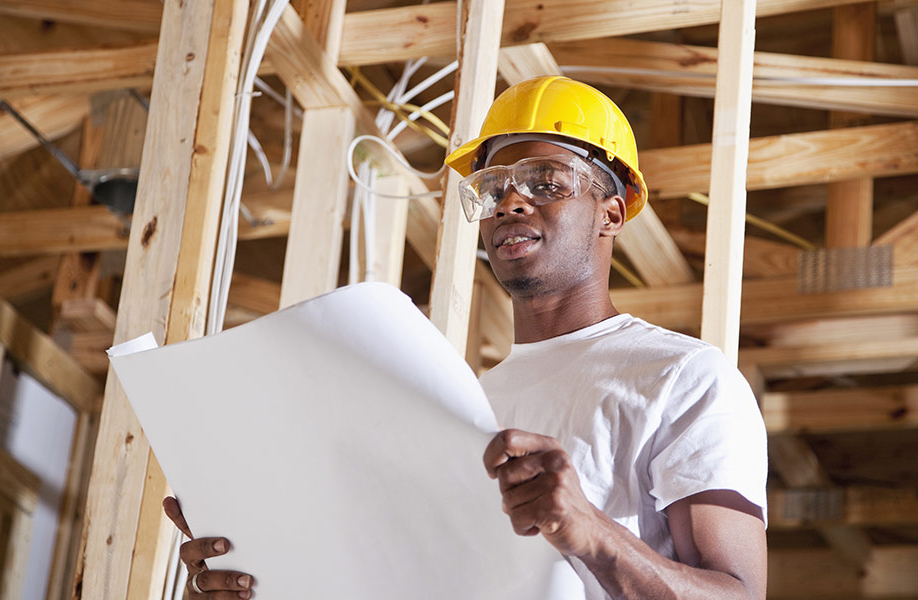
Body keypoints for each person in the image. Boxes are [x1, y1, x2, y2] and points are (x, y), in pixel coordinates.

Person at [164, 75, 768, 599]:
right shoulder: (464, 405)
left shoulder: (681, 377)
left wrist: (589, 529)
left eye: (545, 182)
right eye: (494, 189)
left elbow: (737, 595)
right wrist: (256, 579)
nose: (510, 203)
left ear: (610, 213)